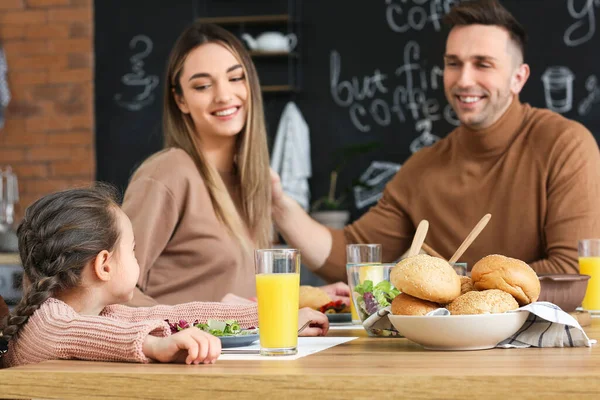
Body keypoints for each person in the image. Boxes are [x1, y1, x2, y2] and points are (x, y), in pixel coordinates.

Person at [271, 0, 600, 282]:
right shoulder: (423, 167)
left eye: (483, 64)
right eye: (453, 64)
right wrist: (279, 206)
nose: (464, 79)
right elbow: (351, 259)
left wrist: (457, 287)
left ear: (518, 77)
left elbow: (572, 271)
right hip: (445, 349)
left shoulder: (565, 145)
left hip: (543, 349)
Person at [121, 22, 349, 306]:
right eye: (203, 85)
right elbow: (115, 293)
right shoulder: (168, 173)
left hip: (240, 351)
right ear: (180, 100)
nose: (224, 95)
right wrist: (189, 329)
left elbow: (238, 303)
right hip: (190, 350)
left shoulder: (251, 182)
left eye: (236, 78)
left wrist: (300, 299)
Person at [0, 185, 328, 368]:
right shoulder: (49, 322)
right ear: (104, 265)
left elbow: (172, 315)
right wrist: (155, 345)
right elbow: (85, 333)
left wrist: (275, 316)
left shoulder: (105, 312)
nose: (137, 257)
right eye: (132, 249)